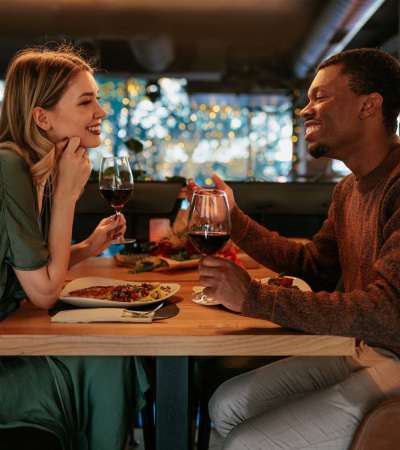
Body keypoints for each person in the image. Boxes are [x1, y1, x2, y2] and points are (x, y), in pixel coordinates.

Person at [190, 48, 400, 449]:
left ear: (369, 105)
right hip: (363, 346)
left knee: (247, 442)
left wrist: (251, 296)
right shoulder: (348, 190)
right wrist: (233, 219)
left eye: (320, 97)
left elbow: (387, 313)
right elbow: (313, 266)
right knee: (225, 405)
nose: (305, 111)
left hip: (394, 355)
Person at [0, 45, 148, 450]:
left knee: (112, 353)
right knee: (108, 358)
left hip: (10, 341)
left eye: (97, 99)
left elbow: (28, 270)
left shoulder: (30, 166)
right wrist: (67, 192)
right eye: (86, 101)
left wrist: (86, 247)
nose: (101, 111)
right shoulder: (7, 165)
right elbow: (44, 293)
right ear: (41, 117)